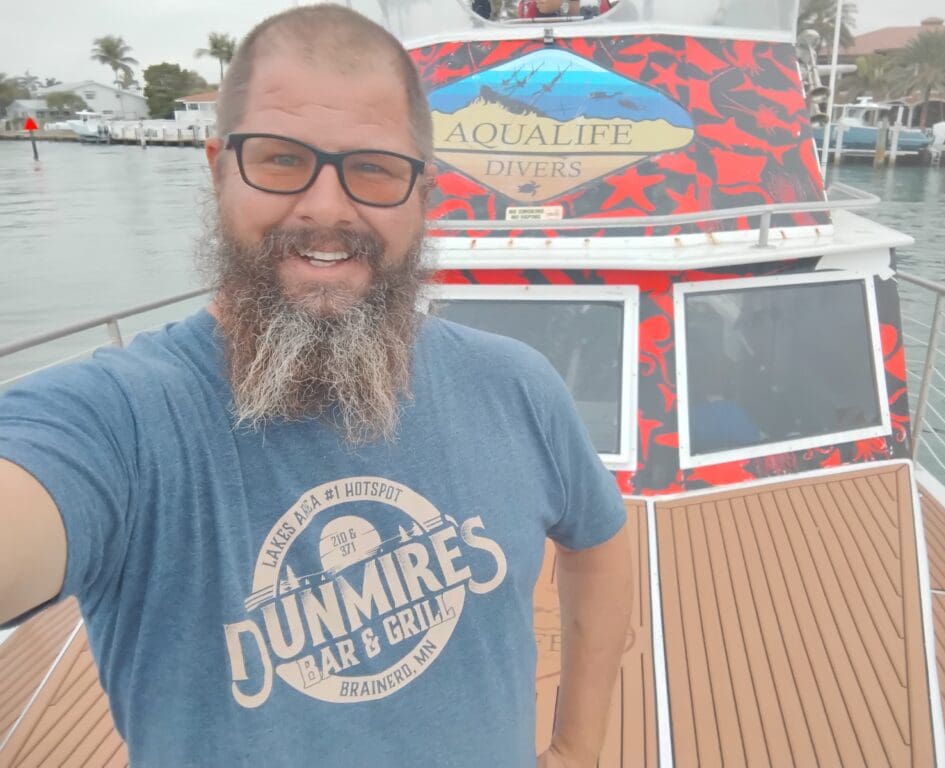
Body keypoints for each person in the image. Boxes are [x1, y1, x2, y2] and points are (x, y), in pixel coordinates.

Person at [0, 5, 632, 768]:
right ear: (218, 172)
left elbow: (599, 541)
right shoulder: (120, 423)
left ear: (423, 195)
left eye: (373, 168)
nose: (326, 208)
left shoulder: (518, 386)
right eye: (279, 159)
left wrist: (577, 748)